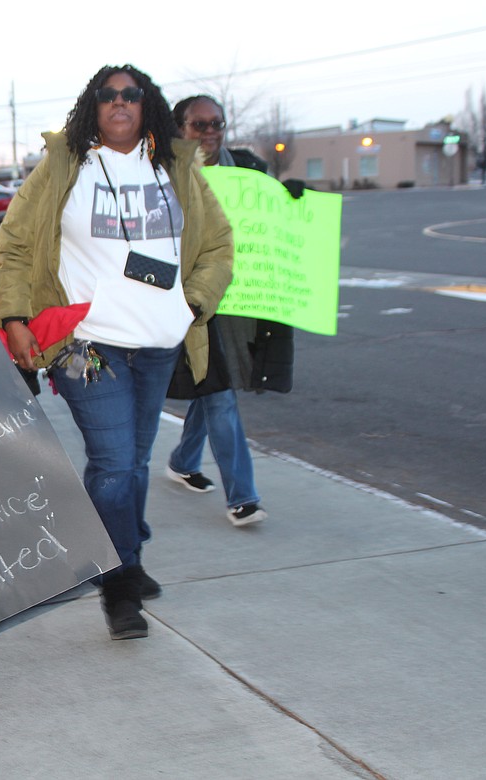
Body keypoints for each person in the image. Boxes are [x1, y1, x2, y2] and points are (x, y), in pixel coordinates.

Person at [0, 65, 233, 641]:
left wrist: (193, 305)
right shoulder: (64, 165)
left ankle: (125, 552)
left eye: (131, 94)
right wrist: (15, 316)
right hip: (85, 344)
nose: (120, 102)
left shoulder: (178, 166)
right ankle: (120, 583)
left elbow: (219, 244)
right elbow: (16, 244)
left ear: (146, 104)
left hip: (157, 343)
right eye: (108, 95)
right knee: (115, 462)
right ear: (92, 106)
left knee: (134, 460)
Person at [165, 95, 296, 527]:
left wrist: (292, 201)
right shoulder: (164, 174)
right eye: (197, 124)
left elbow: (276, 228)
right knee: (219, 392)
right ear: (179, 127)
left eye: (216, 123)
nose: (209, 132)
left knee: (218, 385)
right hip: (193, 298)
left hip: (242, 299)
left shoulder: (251, 171)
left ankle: (183, 460)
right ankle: (243, 496)